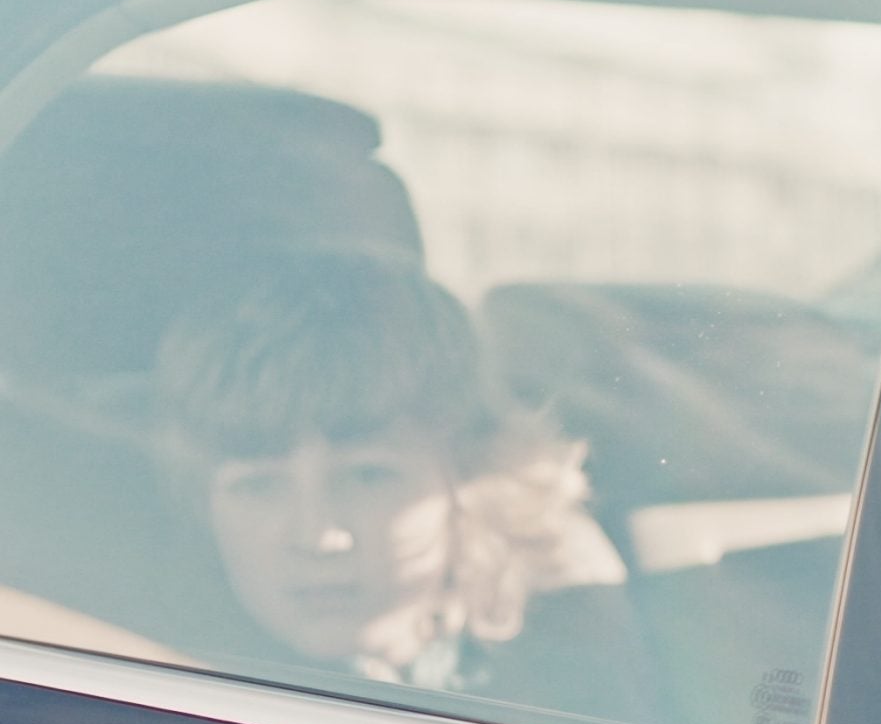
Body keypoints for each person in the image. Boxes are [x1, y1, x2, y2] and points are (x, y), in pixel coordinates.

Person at [155, 249, 623, 691]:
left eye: (368, 477)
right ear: (202, 502)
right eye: (257, 486)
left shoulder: (570, 642)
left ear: (469, 475)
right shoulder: (163, 683)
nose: (319, 538)